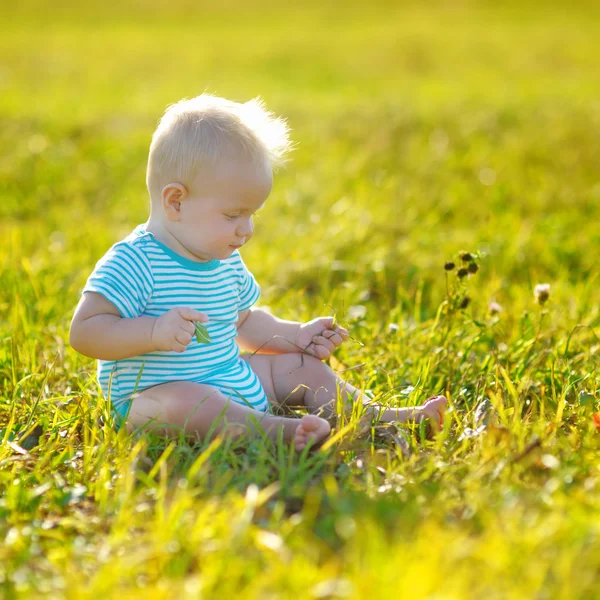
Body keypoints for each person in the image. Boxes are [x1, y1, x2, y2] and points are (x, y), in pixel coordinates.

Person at [69, 93, 447, 450]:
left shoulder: (223, 259)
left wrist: (295, 336)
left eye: (251, 215)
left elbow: (245, 323)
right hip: (151, 400)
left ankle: (383, 418)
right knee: (188, 400)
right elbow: (85, 333)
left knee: (302, 368)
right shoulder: (135, 262)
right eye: (233, 215)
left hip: (231, 375)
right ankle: (277, 432)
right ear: (176, 201)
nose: (246, 229)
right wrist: (152, 331)